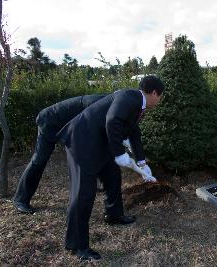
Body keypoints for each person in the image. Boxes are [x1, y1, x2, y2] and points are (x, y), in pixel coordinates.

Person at [58, 75, 164, 260]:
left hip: (99, 143)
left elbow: (134, 133)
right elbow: (112, 121)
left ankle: (114, 215)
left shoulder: (138, 104)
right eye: (160, 96)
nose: (160, 100)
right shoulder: (128, 97)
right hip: (82, 142)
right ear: (154, 93)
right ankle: (76, 245)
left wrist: (142, 162)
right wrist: (119, 154)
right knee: (83, 193)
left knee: (113, 176)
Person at [13, 94, 106, 214]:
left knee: (92, 152)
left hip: (67, 126)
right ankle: (20, 200)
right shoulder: (97, 102)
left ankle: (97, 183)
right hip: (49, 122)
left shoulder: (106, 103)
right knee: (39, 160)